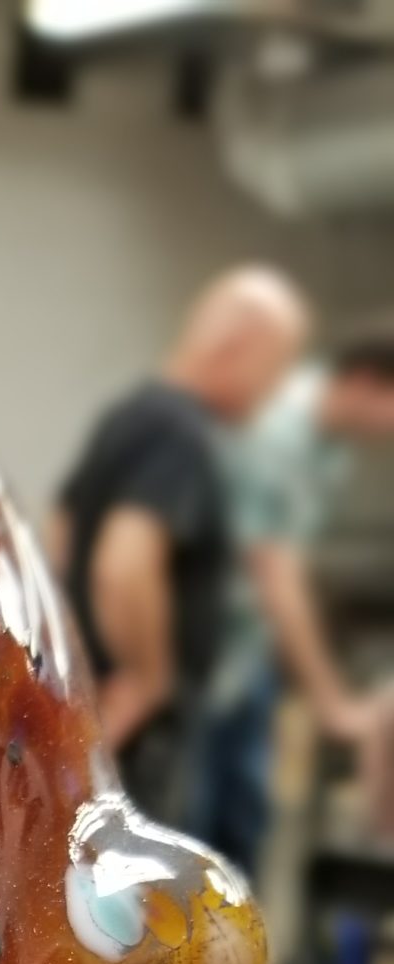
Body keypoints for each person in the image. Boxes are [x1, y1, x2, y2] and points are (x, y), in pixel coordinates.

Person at [51, 267, 310, 824]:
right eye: (275, 369)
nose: (271, 393)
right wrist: (146, 677)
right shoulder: (180, 433)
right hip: (137, 733)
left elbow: (63, 529)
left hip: (92, 703)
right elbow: (124, 562)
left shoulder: (131, 413)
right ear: (236, 344)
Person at [190, 322, 394, 879]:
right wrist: (330, 700)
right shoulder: (276, 432)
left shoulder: (334, 453)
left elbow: (292, 564)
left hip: (247, 653)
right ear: (367, 383)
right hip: (206, 653)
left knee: (244, 818)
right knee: (197, 825)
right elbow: (272, 571)